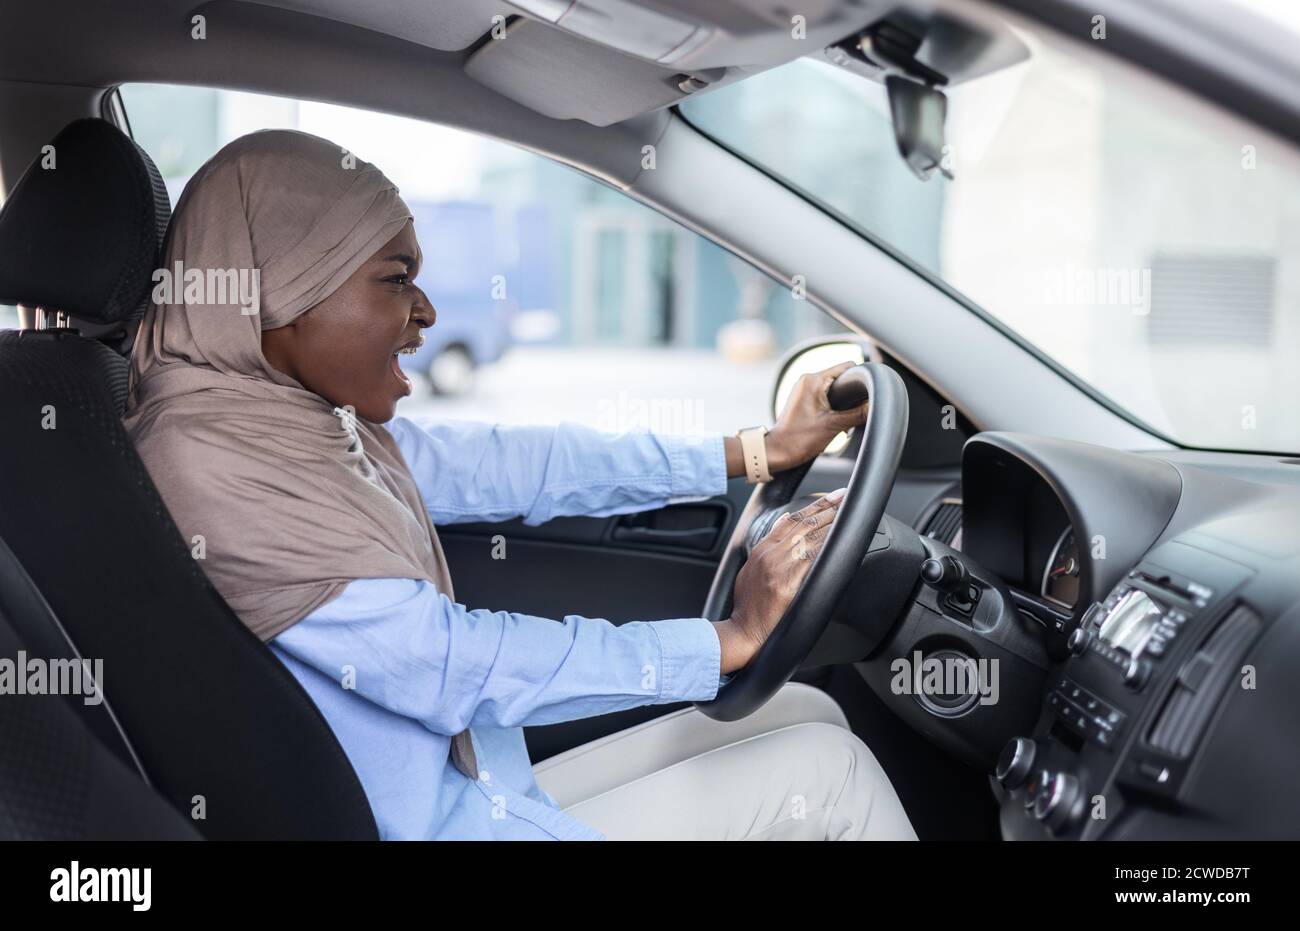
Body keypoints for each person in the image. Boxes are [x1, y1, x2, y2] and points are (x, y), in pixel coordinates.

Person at [124, 129, 915, 841]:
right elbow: (450, 667)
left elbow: (510, 463)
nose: (427, 311)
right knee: (829, 776)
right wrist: (726, 640)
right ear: (282, 289)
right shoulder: (214, 459)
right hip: (427, 825)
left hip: (468, 788)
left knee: (806, 709)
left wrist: (755, 450)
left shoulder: (281, 417)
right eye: (396, 278)